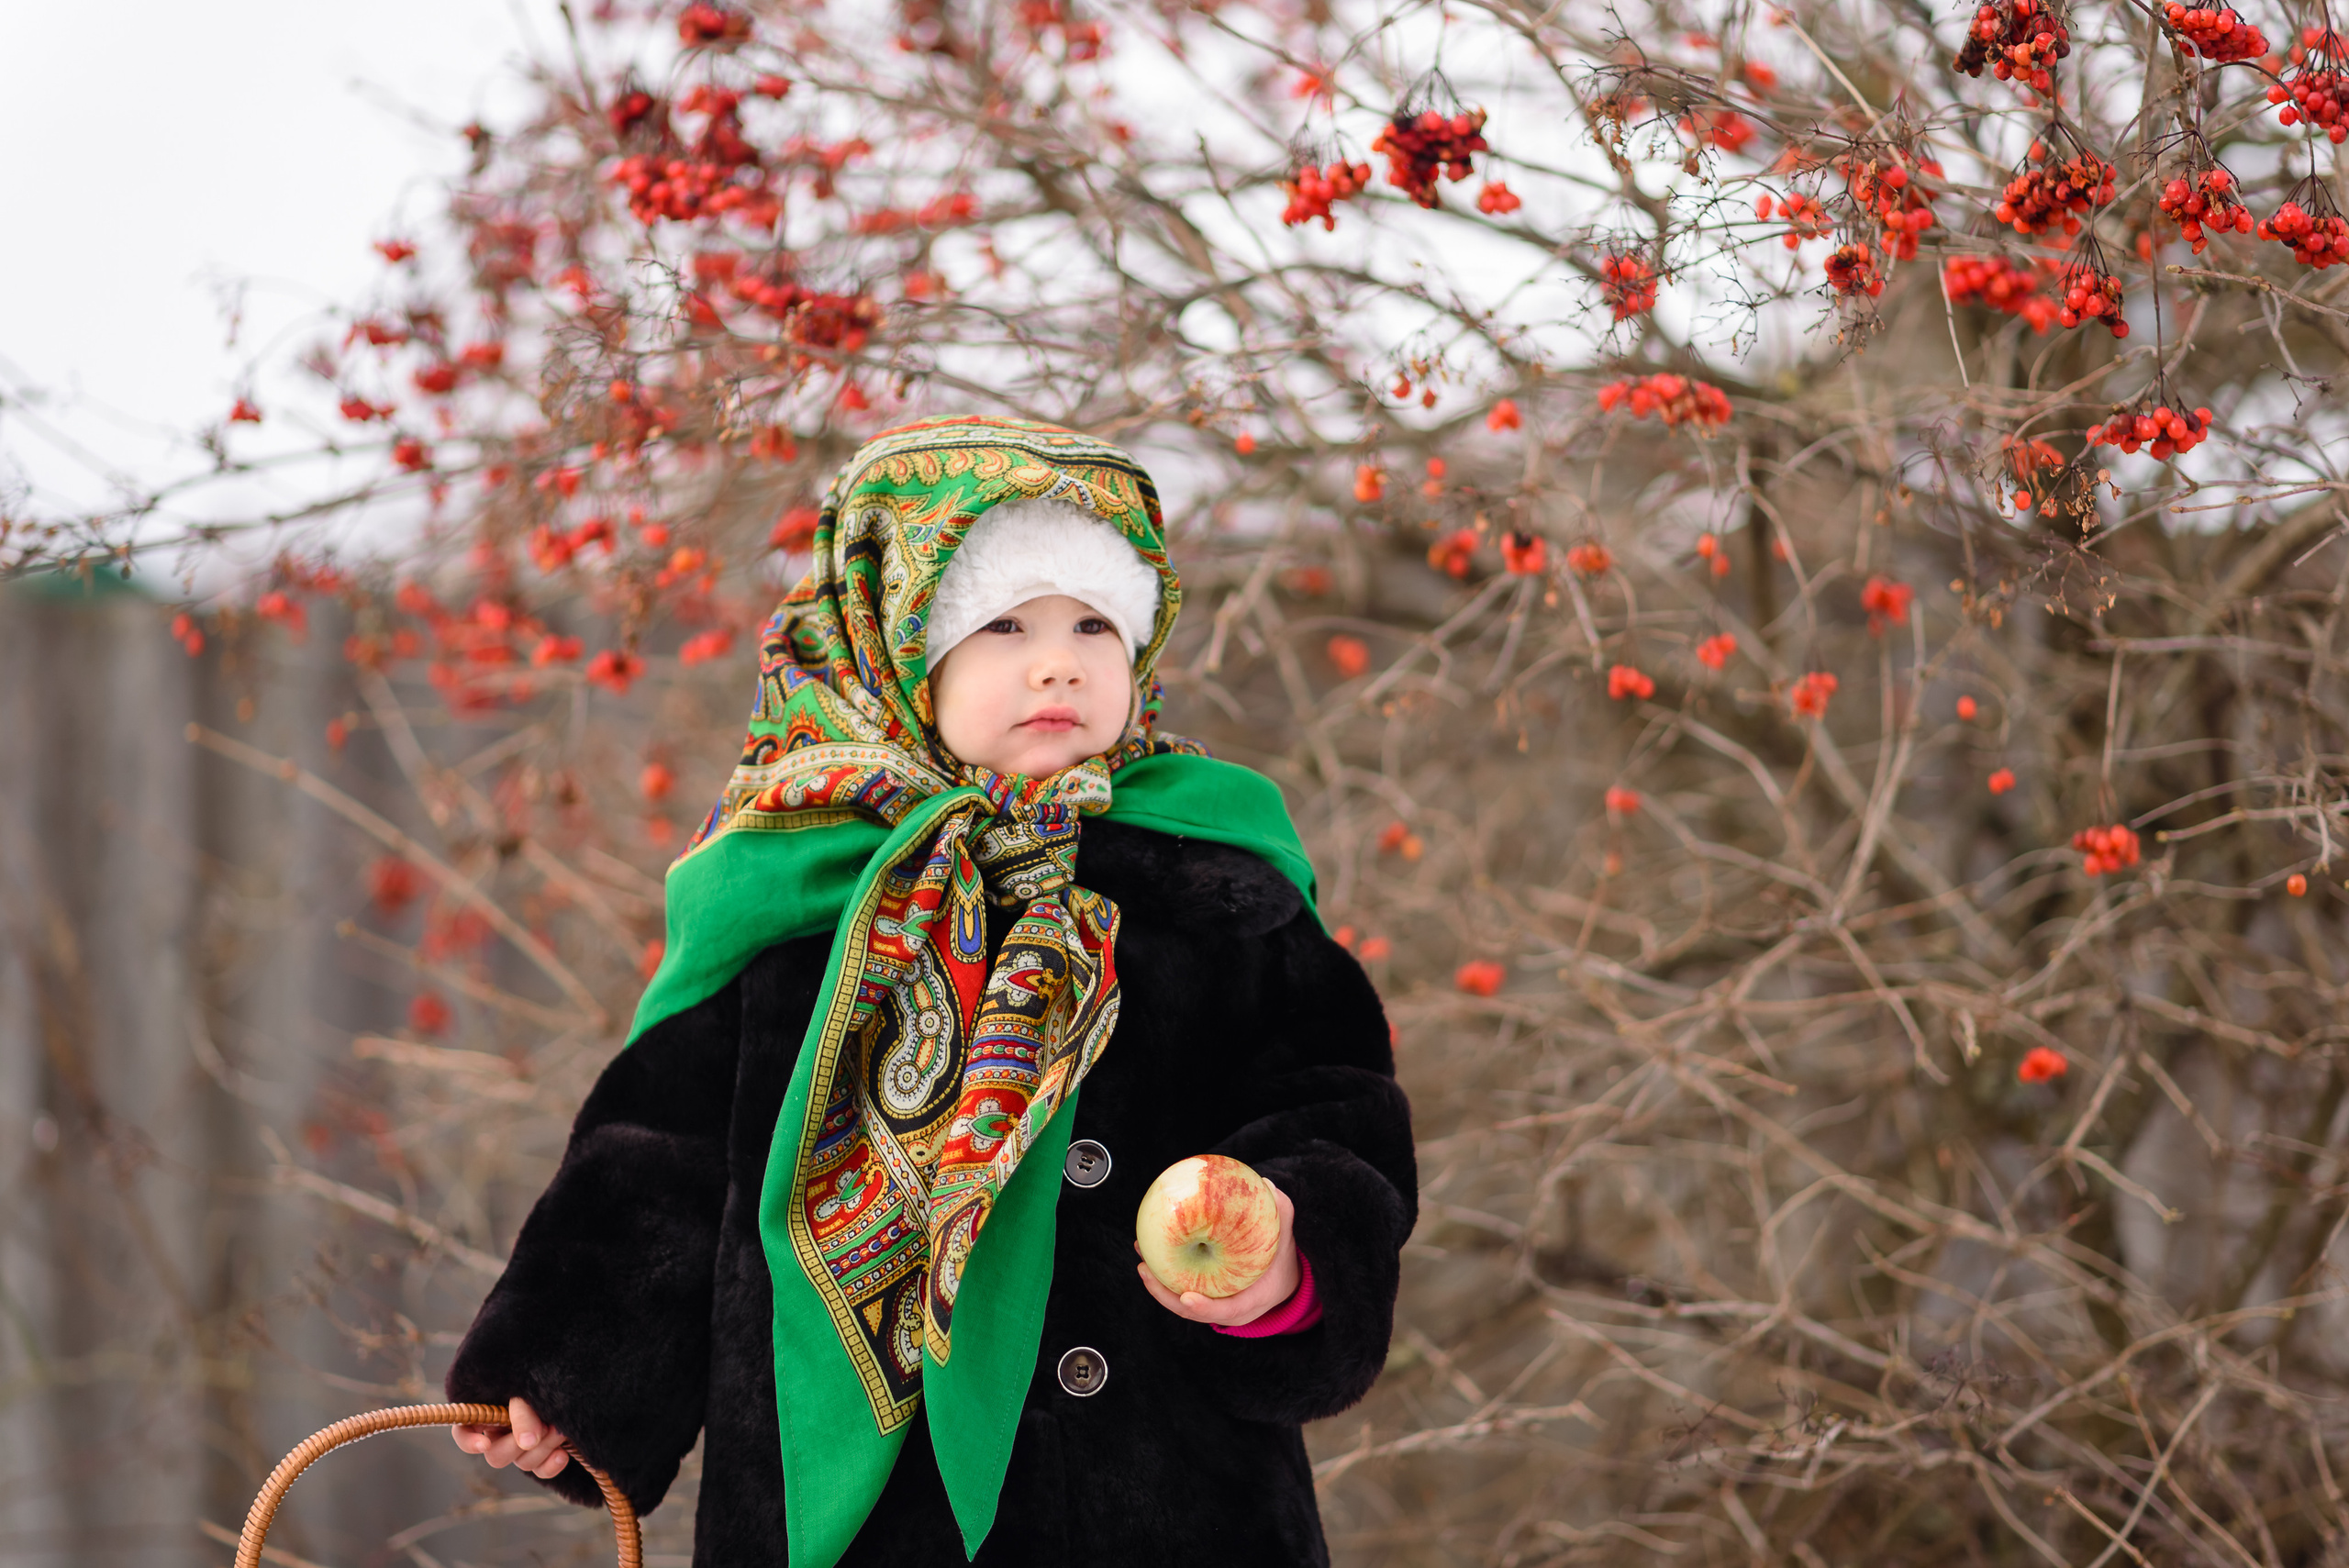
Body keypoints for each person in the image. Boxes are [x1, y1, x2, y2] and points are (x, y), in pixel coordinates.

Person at [444, 416, 1414, 1567]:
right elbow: (660, 1162)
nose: (1057, 661)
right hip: (868, 1529)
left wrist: (1290, 1257)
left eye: (1093, 623)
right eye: (1003, 624)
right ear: (895, 647)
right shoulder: (797, 893)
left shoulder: (1215, 884)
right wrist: (566, 1371)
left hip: (1176, 1500)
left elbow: (1334, 1109)